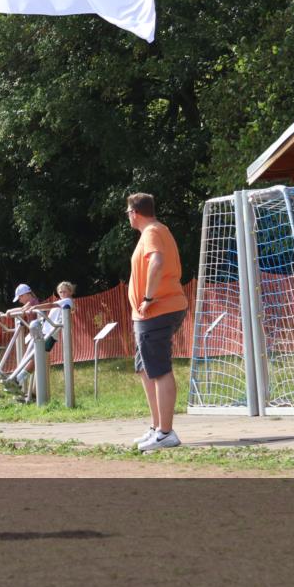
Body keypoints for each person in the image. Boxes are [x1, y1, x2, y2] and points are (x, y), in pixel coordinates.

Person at [126, 193, 188, 452]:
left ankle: (166, 432)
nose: (128, 216)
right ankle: (157, 427)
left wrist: (149, 297)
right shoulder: (155, 231)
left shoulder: (152, 231)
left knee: (159, 369)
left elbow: (157, 263)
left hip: (157, 311)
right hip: (149, 315)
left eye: (128, 212)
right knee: (145, 368)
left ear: (135, 212)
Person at [2, 284, 42, 389]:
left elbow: (23, 309)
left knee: (29, 359)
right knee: (28, 358)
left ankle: (16, 380)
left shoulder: (32, 303)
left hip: (39, 334)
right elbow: (22, 309)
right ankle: (16, 379)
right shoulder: (32, 302)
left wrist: (10, 311)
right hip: (36, 334)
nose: (20, 300)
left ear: (26, 294)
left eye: (20, 297)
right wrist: (9, 311)